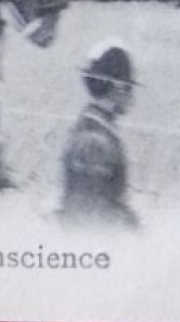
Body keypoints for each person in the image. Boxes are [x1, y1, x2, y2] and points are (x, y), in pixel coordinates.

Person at [59, 40, 140, 232]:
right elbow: (89, 213)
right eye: (129, 87)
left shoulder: (94, 126)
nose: (131, 96)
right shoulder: (96, 140)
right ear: (118, 87)